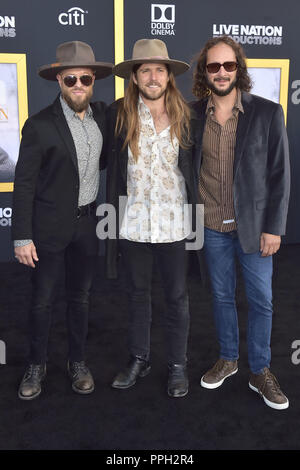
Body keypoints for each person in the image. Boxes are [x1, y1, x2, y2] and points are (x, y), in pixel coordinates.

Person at [191, 35, 290, 409]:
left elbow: (280, 174)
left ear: (238, 69)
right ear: (205, 72)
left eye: (228, 65)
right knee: (220, 296)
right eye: (213, 66)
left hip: (254, 228)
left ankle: (260, 370)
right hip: (211, 225)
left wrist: (274, 227)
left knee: (261, 301)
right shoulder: (191, 114)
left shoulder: (266, 113)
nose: (221, 72)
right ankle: (229, 358)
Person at [12, 41, 112, 400]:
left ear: (93, 80)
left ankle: (77, 362)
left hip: (87, 226)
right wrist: (21, 235)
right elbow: (23, 183)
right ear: (59, 80)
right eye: (71, 79)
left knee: (81, 298)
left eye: (85, 78)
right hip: (48, 229)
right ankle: (35, 365)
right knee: (42, 300)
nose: (79, 85)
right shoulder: (38, 126)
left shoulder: (103, 115)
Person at [106, 39, 199, 397]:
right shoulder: (118, 114)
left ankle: (178, 365)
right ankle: (139, 358)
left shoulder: (188, 116)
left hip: (177, 225)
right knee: (136, 296)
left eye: (159, 69)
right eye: (145, 69)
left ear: (169, 76)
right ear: (134, 76)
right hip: (132, 227)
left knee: (177, 298)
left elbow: (197, 171)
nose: (153, 76)